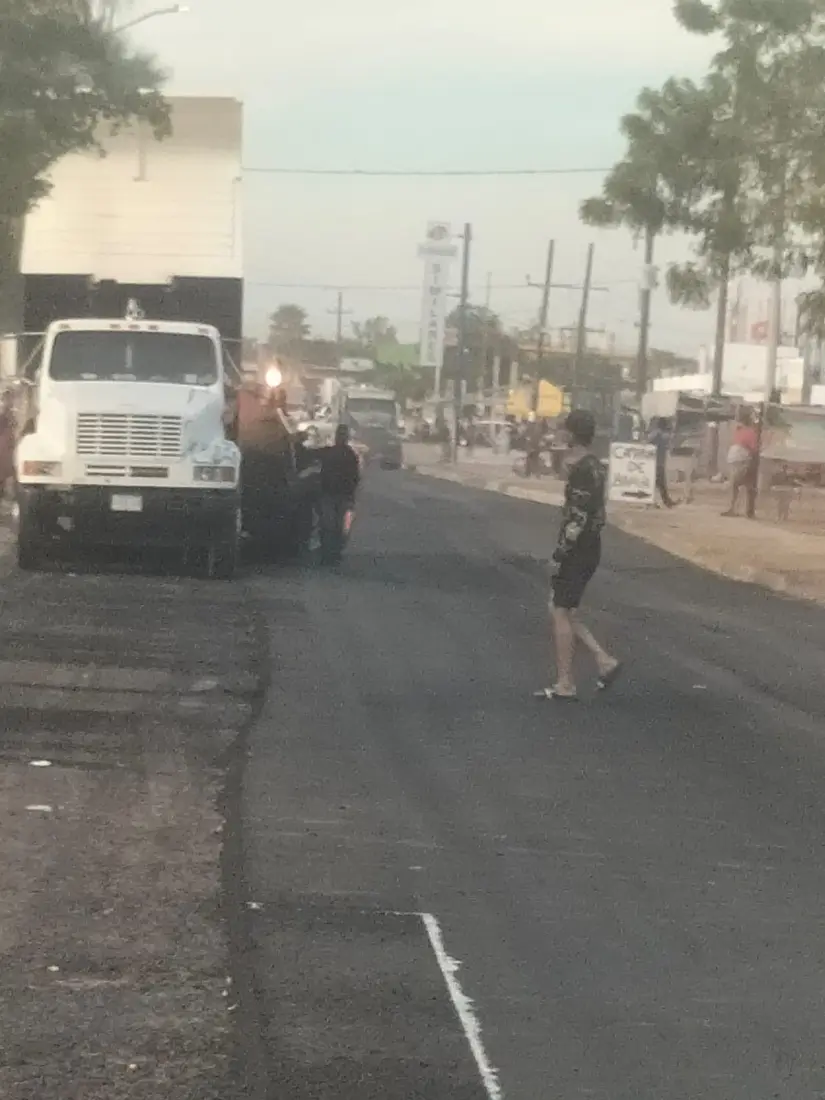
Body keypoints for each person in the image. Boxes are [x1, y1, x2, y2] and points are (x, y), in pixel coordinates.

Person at [536, 409, 621, 701]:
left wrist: (560, 554)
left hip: (579, 548)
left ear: (572, 434)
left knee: (560, 611)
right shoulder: (595, 466)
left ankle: (565, 683)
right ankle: (603, 660)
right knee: (562, 608)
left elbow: (578, 518)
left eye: (564, 430)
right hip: (590, 545)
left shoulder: (584, 470)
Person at [318, 424, 361, 562]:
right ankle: (334, 552)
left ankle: (328, 553)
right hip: (340, 495)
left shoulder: (330, 453)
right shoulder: (350, 454)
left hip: (332, 494)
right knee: (337, 526)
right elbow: (355, 477)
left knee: (329, 525)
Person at [723, 408, 758, 518]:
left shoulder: (743, 431)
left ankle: (737, 509)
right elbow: (753, 448)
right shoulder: (745, 431)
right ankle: (742, 510)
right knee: (743, 485)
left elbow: (752, 448)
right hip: (739, 460)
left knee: (737, 485)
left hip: (739, 460)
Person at [648, 416, 675, 508]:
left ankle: (665, 501)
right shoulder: (662, 435)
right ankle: (665, 502)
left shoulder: (655, 434)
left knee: (657, 483)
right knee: (659, 483)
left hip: (655, 462)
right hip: (657, 462)